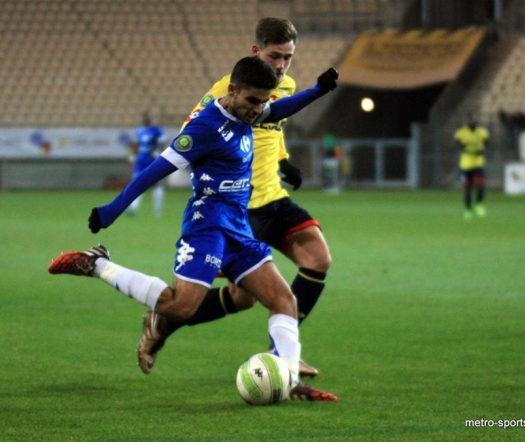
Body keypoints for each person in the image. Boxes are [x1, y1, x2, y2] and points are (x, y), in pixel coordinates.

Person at [48, 56, 339, 402]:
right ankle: (96, 264)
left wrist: (319, 90)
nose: (259, 109)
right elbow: (155, 170)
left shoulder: (251, 109)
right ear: (233, 91)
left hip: (238, 227)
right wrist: (112, 209)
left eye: (264, 101)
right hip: (207, 225)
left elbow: (278, 110)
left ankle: (289, 381)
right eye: (253, 101)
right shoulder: (204, 128)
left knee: (283, 300)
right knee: (181, 306)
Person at [159, 18, 333, 378]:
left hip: (274, 197)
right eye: (275, 56)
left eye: (288, 57)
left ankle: (283, 353)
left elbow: (273, 127)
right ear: (256, 51)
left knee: (318, 259)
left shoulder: (285, 86)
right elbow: (190, 134)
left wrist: (284, 162)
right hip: (239, 208)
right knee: (243, 298)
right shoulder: (228, 89)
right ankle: (162, 323)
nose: (282, 65)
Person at [127, 112, 166, 217]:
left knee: (155, 185)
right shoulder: (140, 130)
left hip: (152, 161)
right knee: (137, 184)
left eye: (148, 117)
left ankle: (158, 211)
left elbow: (163, 144)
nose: (146, 119)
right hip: (141, 161)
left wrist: (157, 152)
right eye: (144, 118)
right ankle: (133, 209)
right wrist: (133, 156)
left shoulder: (157, 130)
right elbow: (136, 145)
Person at [453, 112, 489, 220]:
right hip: (465, 164)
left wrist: (483, 149)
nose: (472, 122)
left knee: (480, 185)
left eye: (474, 120)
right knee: (467, 188)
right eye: (470, 120)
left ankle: (479, 204)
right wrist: (460, 145)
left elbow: (487, 142)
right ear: (467, 121)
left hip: (478, 162)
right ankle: (468, 210)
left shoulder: (482, 132)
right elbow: (454, 142)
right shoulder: (461, 132)